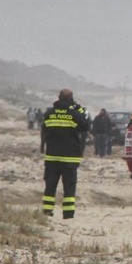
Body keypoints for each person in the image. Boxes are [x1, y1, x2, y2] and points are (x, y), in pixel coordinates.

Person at [40, 89, 89, 219]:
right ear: (71, 99)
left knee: (50, 186)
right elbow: (85, 126)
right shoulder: (74, 113)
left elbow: (43, 131)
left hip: (51, 157)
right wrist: (79, 110)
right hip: (69, 158)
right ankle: (68, 214)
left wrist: (42, 147)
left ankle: (47, 211)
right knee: (69, 186)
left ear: (58, 98)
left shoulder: (49, 114)